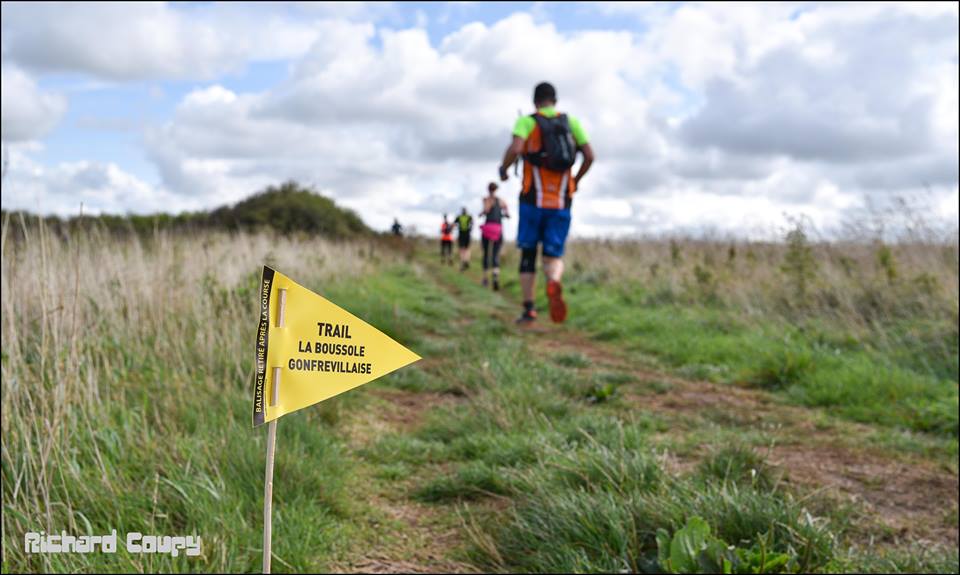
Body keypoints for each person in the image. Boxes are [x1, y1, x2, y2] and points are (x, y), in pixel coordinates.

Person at [499, 82, 594, 324]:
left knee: (528, 254)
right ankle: (553, 281)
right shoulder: (571, 123)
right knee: (553, 255)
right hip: (563, 199)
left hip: (532, 199)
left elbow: (516, 147)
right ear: (555, 100)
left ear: (535, 101)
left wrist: (504, 168)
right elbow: (590, 155)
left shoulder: (527, 122)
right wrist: (576, 179)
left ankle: (529, 309)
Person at [479, 182, 509, 290]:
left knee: (486, 252)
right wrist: (504, 214)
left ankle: (485, 278)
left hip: (488, 228)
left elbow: (486, 210)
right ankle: (495, 276)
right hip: (498, 229)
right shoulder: (501, 201)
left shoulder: (487, 199)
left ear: (488, 189)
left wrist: (482, 213)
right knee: (496, 254)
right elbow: (507, 212)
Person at [455, 207, 473, 271]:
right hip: (467, 235)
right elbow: (472, 224)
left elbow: (454, 224)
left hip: (461, 234)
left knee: (461, 249)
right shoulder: (469, 217)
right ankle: (466, 260)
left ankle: (462, 262)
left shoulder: (459, 217)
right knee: (467, 249)